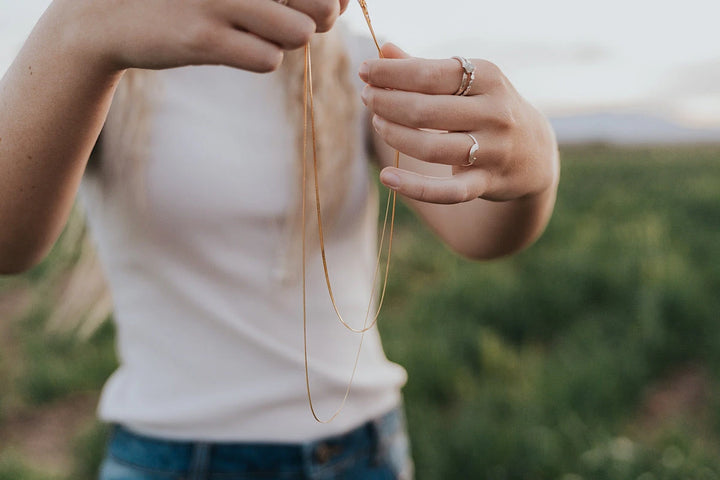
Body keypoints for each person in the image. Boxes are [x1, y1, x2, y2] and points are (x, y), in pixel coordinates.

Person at [0, 0, 559, 478]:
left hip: (363, 453)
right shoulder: (109, 49)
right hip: (168, 456)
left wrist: (536, 167)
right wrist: (78, 29)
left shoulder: (353, 58)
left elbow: (484, 231)